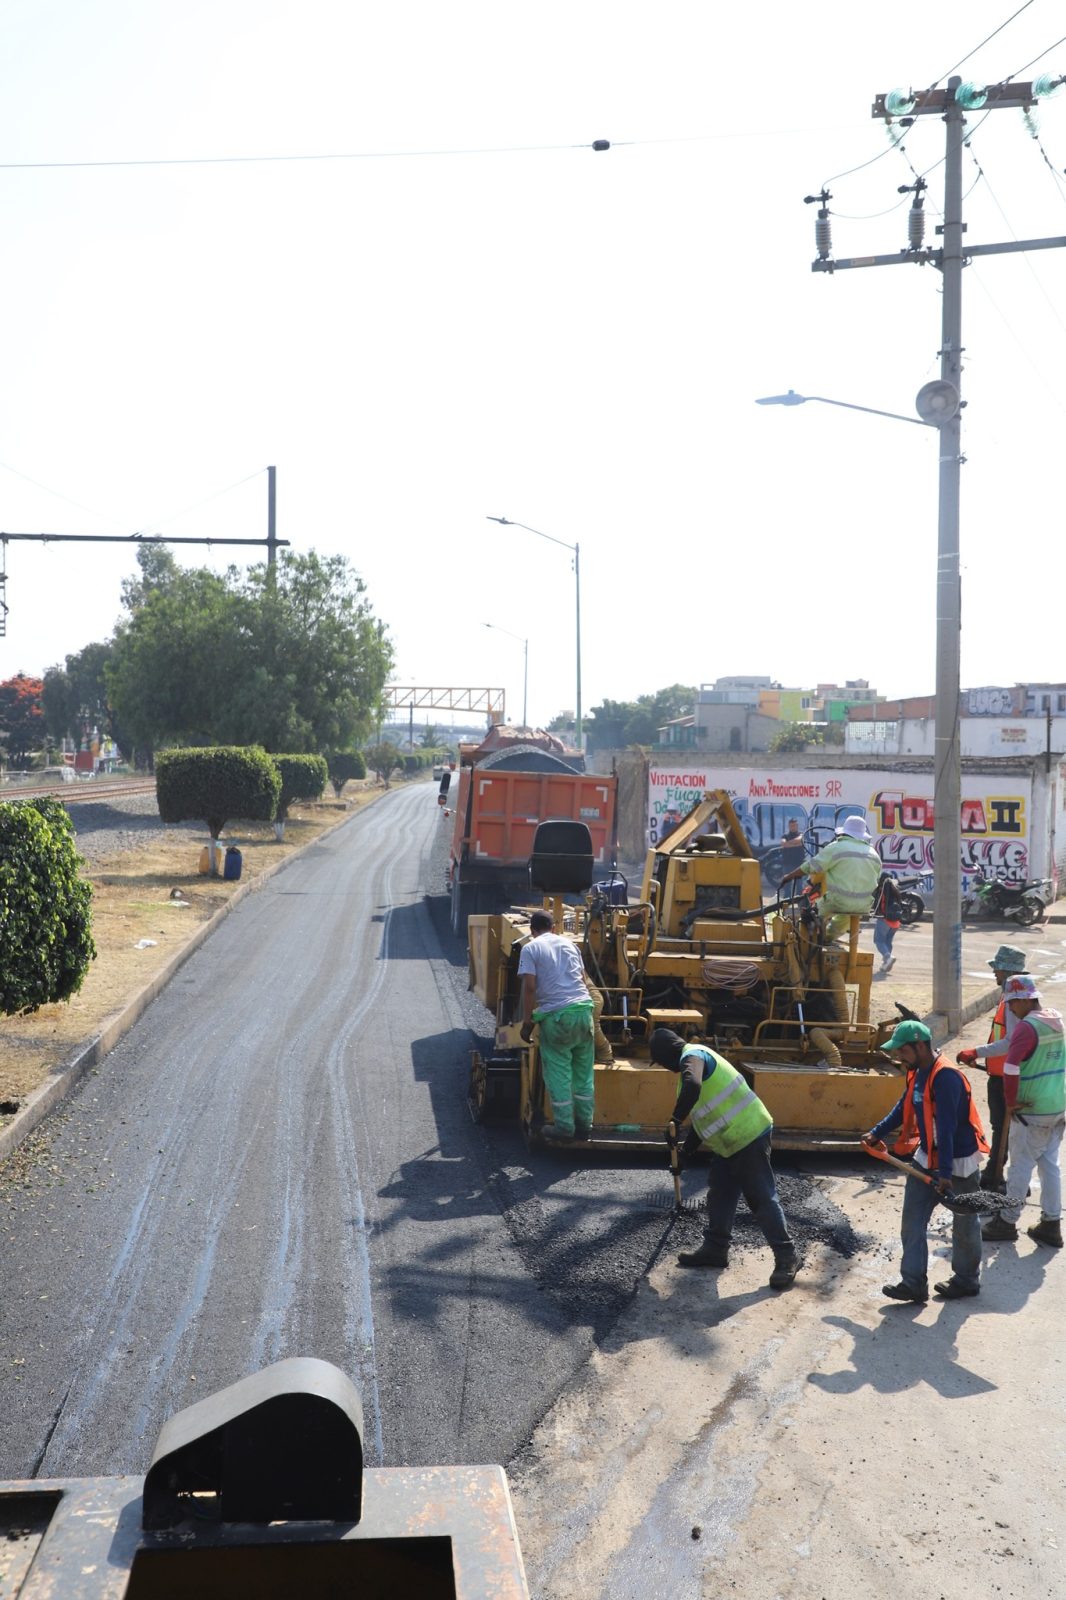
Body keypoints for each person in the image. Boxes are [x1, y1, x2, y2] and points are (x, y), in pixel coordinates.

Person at [649, 1027, 799, 1290]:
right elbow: (702, 1116)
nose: (663, 1067)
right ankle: (716, 1249)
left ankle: (787, 1256)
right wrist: (686, 1152)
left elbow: (693, 1087)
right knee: (720, 1193)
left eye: (661, 1061)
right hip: (729, 1143)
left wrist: (674, 1119)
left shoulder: (694, 1056)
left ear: (668, 1053)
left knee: (761, 1197)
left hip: (749, 1132)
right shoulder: (690, 1067)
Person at [863, 1019, 989, 1302]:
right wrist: (876, 1131)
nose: (898, 1056)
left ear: (920, 1046)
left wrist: (944, 1173)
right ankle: (913, 1283)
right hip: (927, 1156)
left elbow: (946, 1128)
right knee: (912, 1221)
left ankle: (967, 1280)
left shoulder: (946, 1078)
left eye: (903, 1050)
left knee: (965, 1223)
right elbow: (904, 1105)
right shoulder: (918, 1070)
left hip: (957, 1162)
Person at [980, 975, 1065, 1249]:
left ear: (1022, 1000)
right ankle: (1051, 1224)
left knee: (1020, 1167)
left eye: (1012, 1003)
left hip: (1031, 1111)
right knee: (1050, 1166)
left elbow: (1011, 1066)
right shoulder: (1055, 1020)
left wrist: (1011, 1101)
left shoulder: (1027, 1027)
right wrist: (978, 1051)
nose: (1011, 1009)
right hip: (1056, 1105)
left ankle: (1006, 1221)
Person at [518, 910, 596, 1143]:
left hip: (557, 1018)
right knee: (583, 1075)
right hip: (584, 1014)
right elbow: (582, 980)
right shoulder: (571, 945)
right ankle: (585, 1126)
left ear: (532, 931)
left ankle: (564, 1128)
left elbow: (530, 988)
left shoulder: (531, 948)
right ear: (554, 928)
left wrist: (528, 1022)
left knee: (560, 1074)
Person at [957, 945, 1028, 1189]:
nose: (994, 973)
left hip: (1007, 1076)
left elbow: (1010, 1043)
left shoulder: (1014, 1001)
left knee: (1004, 1128)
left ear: (1007, 971)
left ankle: (996, 1174)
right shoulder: (1010, 996)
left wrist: (976, 1052)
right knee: (1006, 1128)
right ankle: (1007, 1174)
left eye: (996, 969)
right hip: (1000, 1073)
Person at [779, 814, 881, 942]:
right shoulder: (874, 854)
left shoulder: (836, 847)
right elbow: (877, 878)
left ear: (844, 833)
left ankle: (810, 942)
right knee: (844, 920)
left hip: (837, 901)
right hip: (863, 905)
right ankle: (827, 939)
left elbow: (810, 867)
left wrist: (789, 876)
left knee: (811, 912)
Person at [872, 871, 902, 974]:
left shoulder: (881, 890)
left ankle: (888, 957)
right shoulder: (896, 890)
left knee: (879, 941)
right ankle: (886, 964)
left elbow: (877, 905)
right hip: (896, 922)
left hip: (884, 920)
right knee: (888, 942)